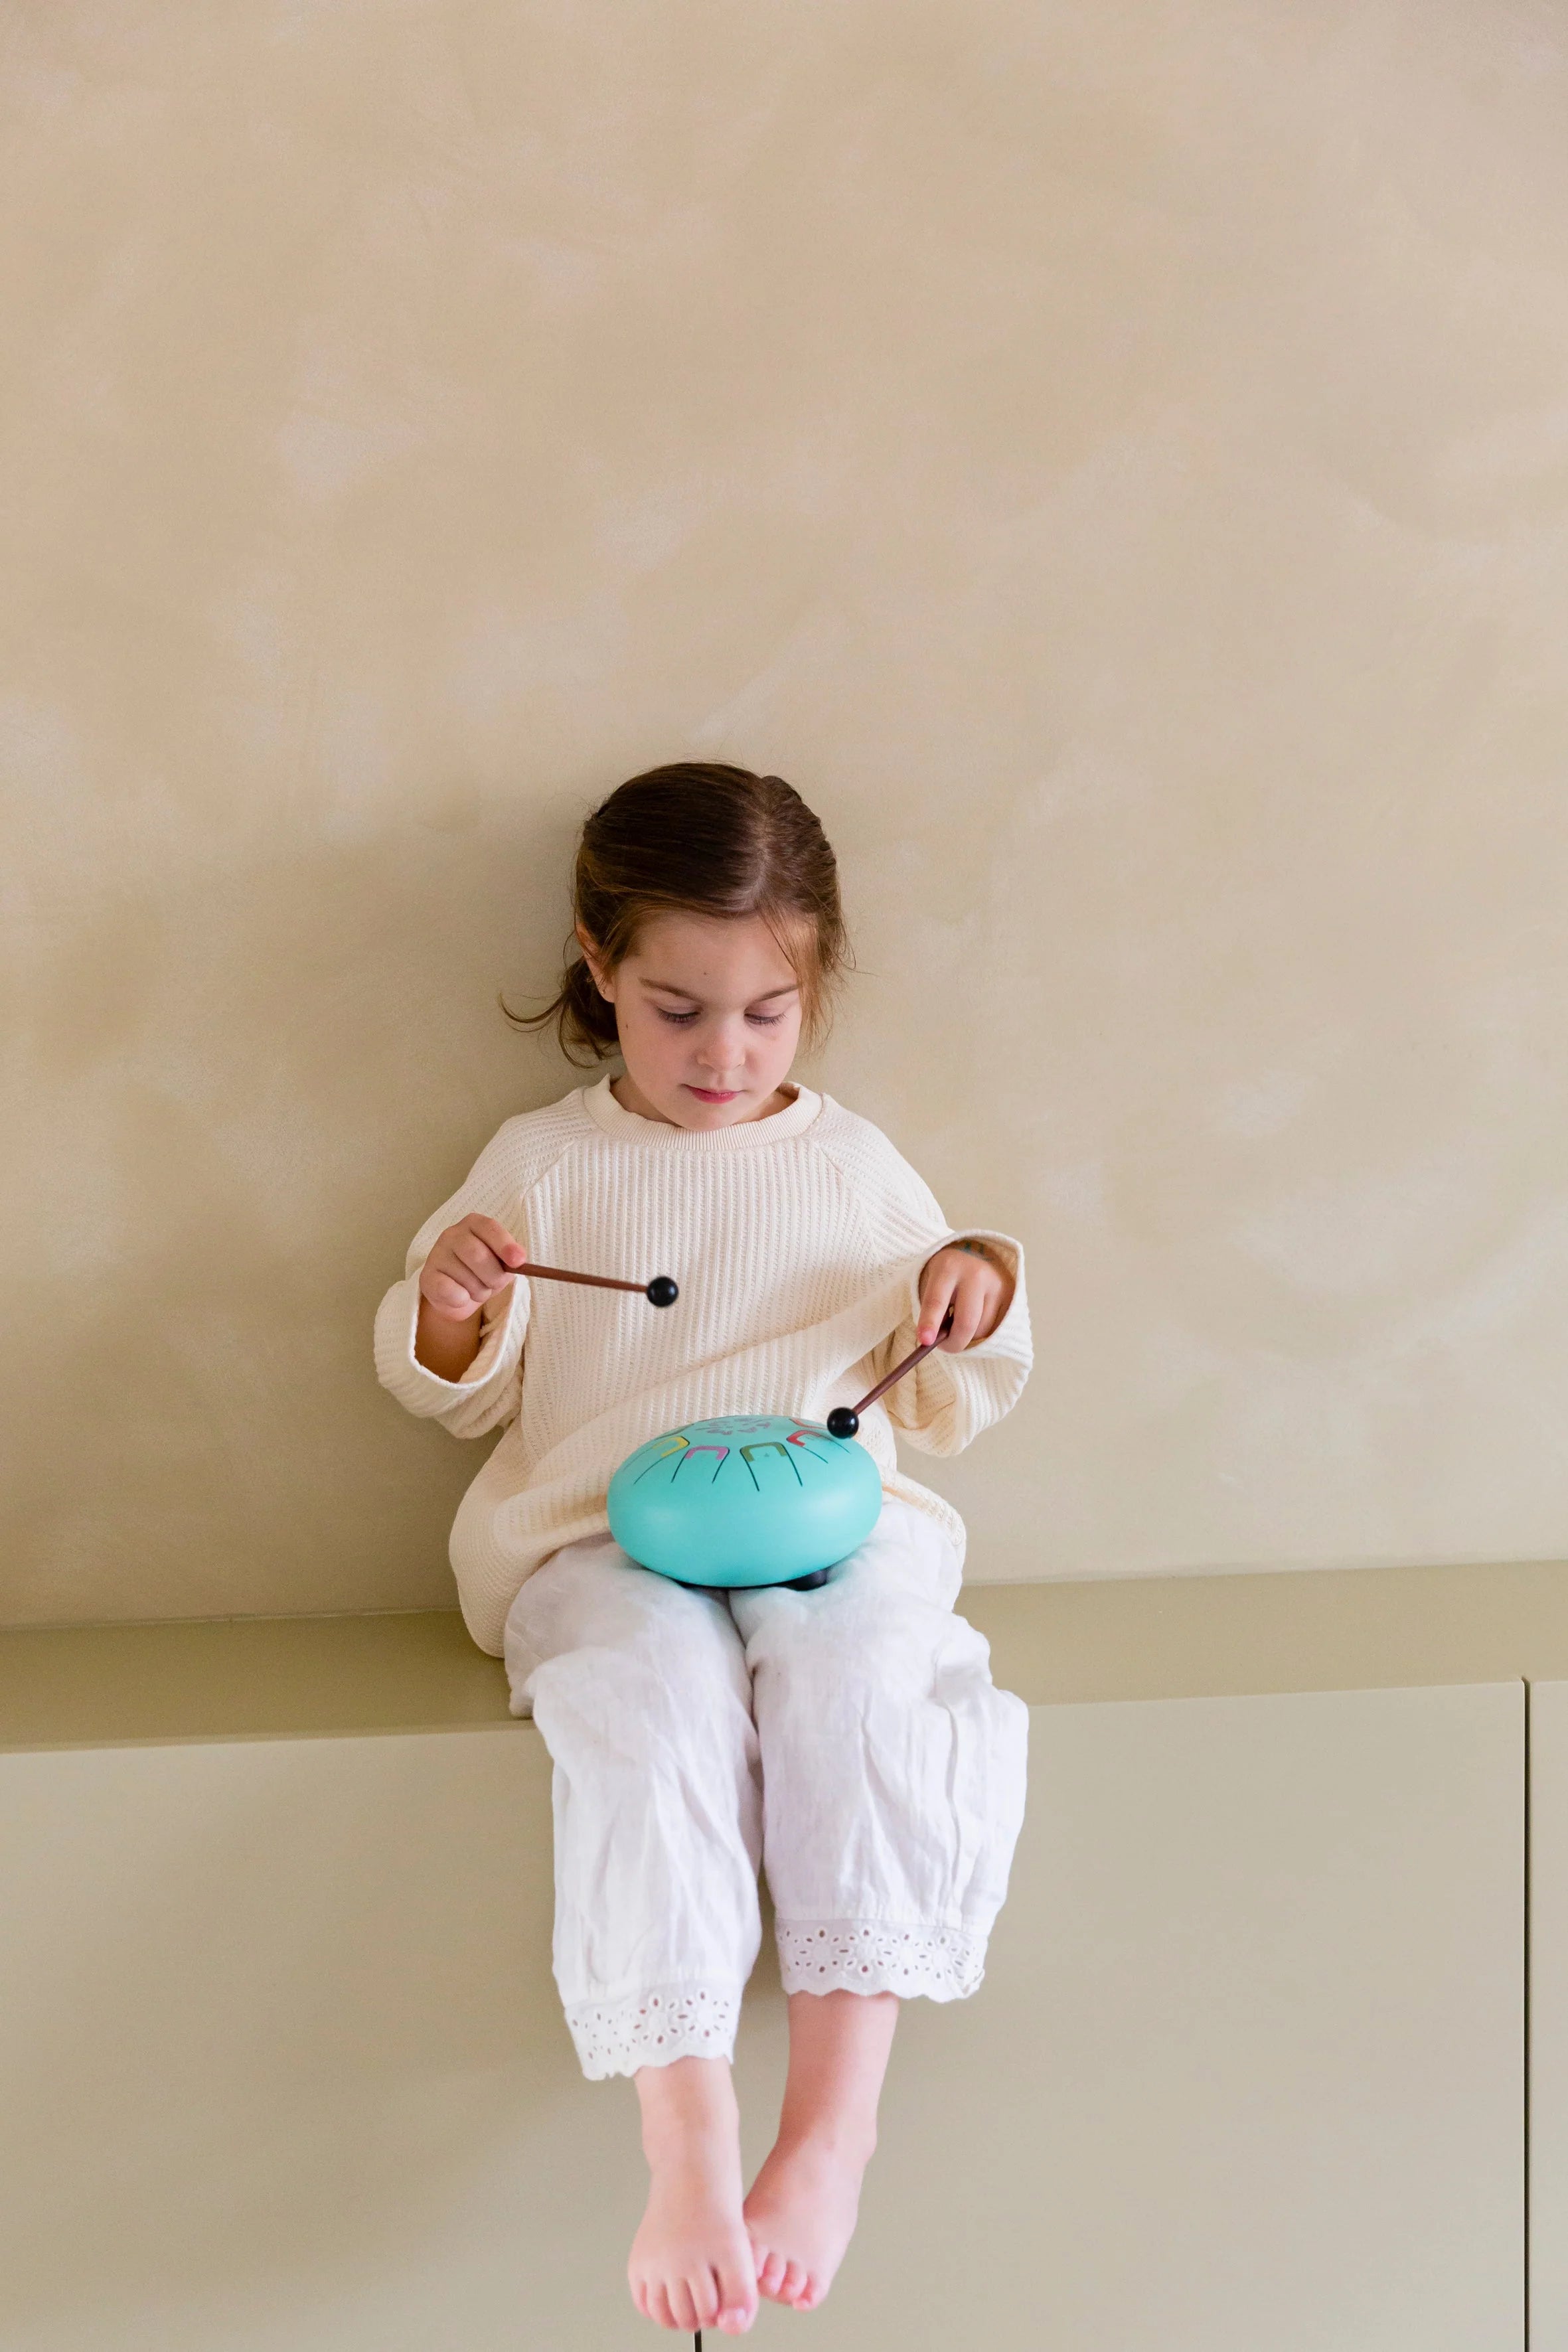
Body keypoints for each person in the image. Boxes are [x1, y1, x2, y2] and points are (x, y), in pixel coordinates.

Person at [374, 762, 1032, 2335]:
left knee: (858, 1671)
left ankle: (831, 2117)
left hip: (831, 1523)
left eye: (765, 1014)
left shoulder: (851, 1161)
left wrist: (974, 1281)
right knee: (650, 1702)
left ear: (813, 990)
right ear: (598, 970)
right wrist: (458, 1298)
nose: (721, 1055)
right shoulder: (544, 1160)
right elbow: (439, 1381)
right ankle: (685, 2133)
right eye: (675, 1010)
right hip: (605, 1537)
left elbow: (947, 1393)